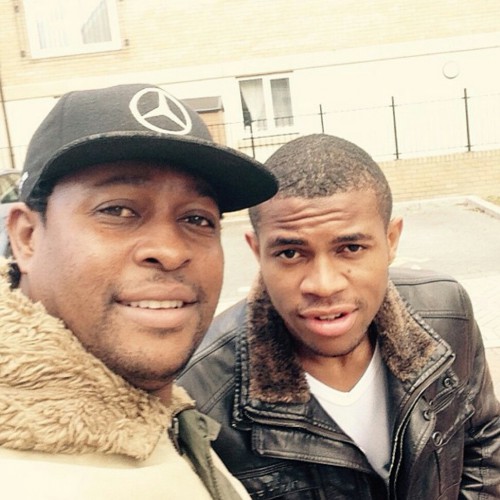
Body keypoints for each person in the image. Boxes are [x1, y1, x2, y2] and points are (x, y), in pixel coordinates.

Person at [178, 134, 500, 499]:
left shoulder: (446, 311)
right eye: (290, 253)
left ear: (391, 240)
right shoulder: (200, 391)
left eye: (350, 247)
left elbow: (482, 440)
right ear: (257, 251)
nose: (324, 285)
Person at [0, 83, 278, 499]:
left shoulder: (166, 419)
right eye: (117, 210)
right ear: (27, 238)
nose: (170, 251)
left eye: (197, 219)